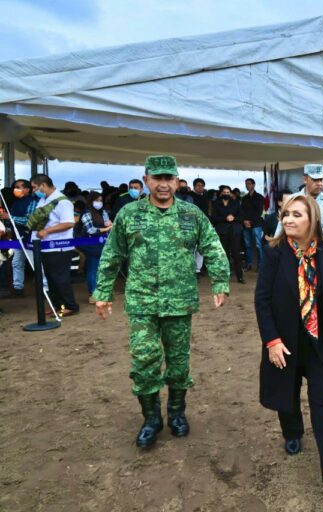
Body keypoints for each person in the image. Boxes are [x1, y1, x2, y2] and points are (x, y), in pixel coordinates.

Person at [93, 155, 230, 449]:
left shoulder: (191, 214)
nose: (164, 184)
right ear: (146, 180)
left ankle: (177, 413)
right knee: (144, 361)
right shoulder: (129, 214)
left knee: (179, 363)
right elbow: (112, 254)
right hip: (142, 302)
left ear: (177, 181)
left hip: (179, 301)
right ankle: (151, 419)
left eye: (169, 178)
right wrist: (103, 292)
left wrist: (220, 282)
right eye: (157, 178)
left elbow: (212, 247)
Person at [255, 194, 323, 483]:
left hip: (319, 340)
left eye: (296, 214)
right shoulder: (274, 253)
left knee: (322, 399)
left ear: (313, 219)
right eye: (286, 214)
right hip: (285, 340)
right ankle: (292, 433)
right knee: (287, 391)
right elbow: (262, 300)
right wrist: (272, 341)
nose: (288, 219)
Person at [28, 174, 80, 316]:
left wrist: (47, 231)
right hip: (46, 246)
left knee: (60, 278)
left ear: (43, 185)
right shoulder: (44, 200)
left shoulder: (62, 202)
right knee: (51, 278)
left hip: (59, 246)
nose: (33, 190)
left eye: (34, 187)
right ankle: (57, 305)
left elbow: (69, 223)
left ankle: (70, 306)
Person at [276, 164, 323, 241]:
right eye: (315, 180)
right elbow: (281, 229)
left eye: (321, 180)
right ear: (305, 179)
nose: (319, 183)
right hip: (298, 246)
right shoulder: (292, 200)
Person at [2, 179, 37, 295]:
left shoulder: (32, 202)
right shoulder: (16, 203)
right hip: (17, 238)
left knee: (35, 263)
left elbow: (29, 221)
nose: (15, 189)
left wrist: (10, 217)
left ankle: (44, 287)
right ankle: (18, 288)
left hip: (29, 237)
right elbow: (12, 221)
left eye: (18, 187)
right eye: (15, 187)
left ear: (27, 189)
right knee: (16, 263)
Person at [79, 191, 113, 303]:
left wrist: (110, 224)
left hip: (102, 244)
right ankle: (93, 294)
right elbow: (90, 230)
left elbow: (108, 222)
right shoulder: (86, 213)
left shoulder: (103, 212)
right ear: (91, 201)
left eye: (101, 200)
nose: (99, 203)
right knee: (92, 269)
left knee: (100, 269)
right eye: (97, 200)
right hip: (91, 245)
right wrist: (105, 229)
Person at [211, 185, 245, 283]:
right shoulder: (216, 204)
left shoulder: (236, 203)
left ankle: (240, 276)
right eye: (224, 192)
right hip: (222, 232)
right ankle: (224, 276)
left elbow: (241, 216)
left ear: (230, 193)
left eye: (228, 192)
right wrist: (225, 218)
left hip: (234, 231)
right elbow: (214, 218)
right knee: (223, 254)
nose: (226, 194)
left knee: (236, 254)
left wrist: (233, 218)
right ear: (221, 193)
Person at [241, 177, 265, 271]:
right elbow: (242, 211)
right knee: (248, 245)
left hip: (256, 224)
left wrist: (250, 221)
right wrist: (244, 221)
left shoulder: (259, 197)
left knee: (258, 245)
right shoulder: (244, 198)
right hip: (246, 224)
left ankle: (261, 265)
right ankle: (249, 264)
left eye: (249, 184)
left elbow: (259, 211)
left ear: (253, 185)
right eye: (246, 184)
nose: (247, 185)